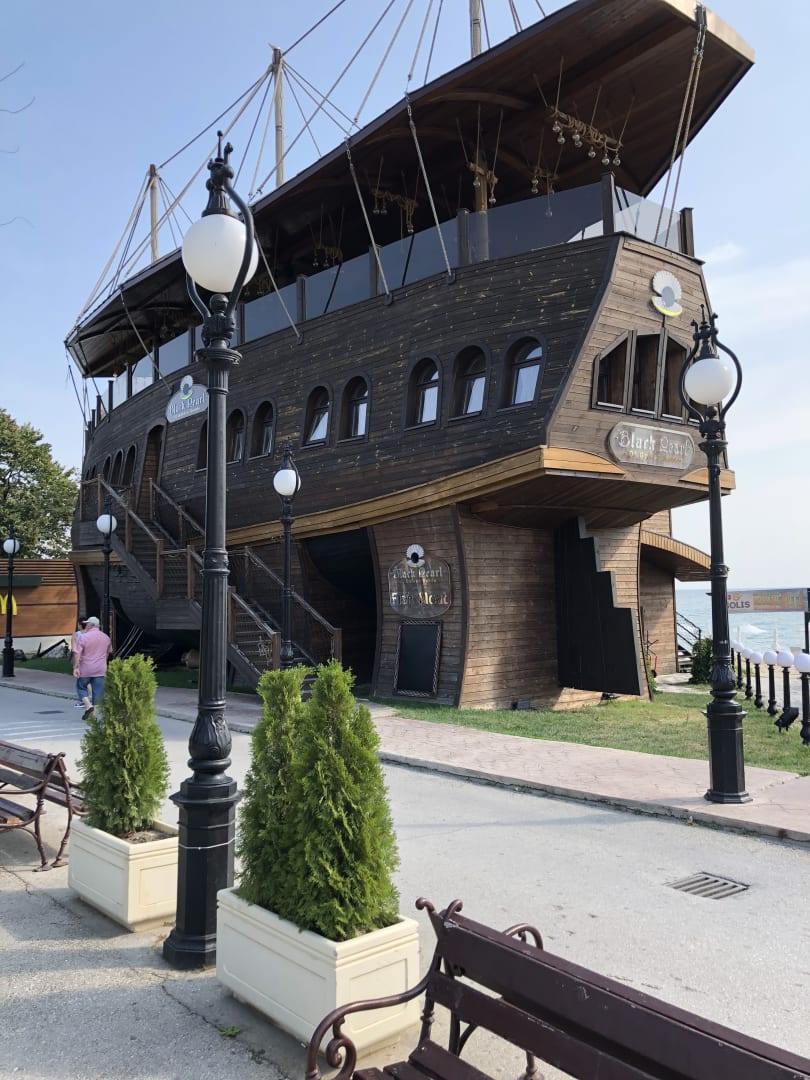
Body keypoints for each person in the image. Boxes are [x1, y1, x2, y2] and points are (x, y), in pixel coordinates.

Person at [73, 616, 112, 719]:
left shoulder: (83, 637)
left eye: (87, 623)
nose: (86, 625)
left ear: (91, 625)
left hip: (86, 668)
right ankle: (93, 717)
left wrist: (76, 667)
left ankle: (88, 705)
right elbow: (107, 653)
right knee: (98, 692)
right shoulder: (106, 637)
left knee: (81, 686)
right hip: (100, 668)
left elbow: (77, 653)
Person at [69, 619, 87, 707]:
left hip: (79, 659)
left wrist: (74, 665)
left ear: (79, 625)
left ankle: (82, 700)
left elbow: (74, 649)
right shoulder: (90, 634)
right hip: (89, 659)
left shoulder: (76, 634)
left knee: (80, 681)